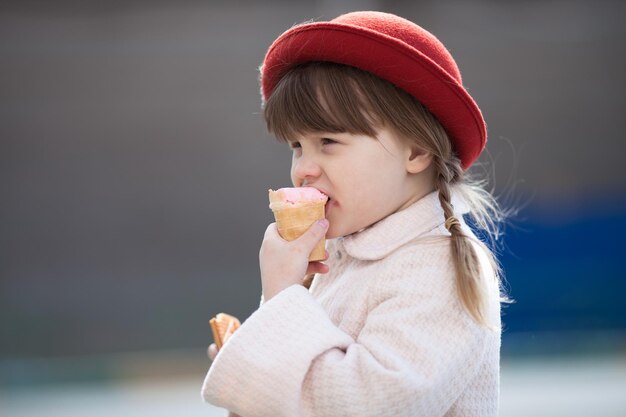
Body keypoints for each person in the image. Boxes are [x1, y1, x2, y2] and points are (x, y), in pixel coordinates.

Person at [202, 10, 508, 417]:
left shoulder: (438, 269)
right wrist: (253, 357)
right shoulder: (340, 259)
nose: (304, 168)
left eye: (328, 140)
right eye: (296, 145)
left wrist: (281, 297)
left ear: (416, 151)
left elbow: (366, 404)